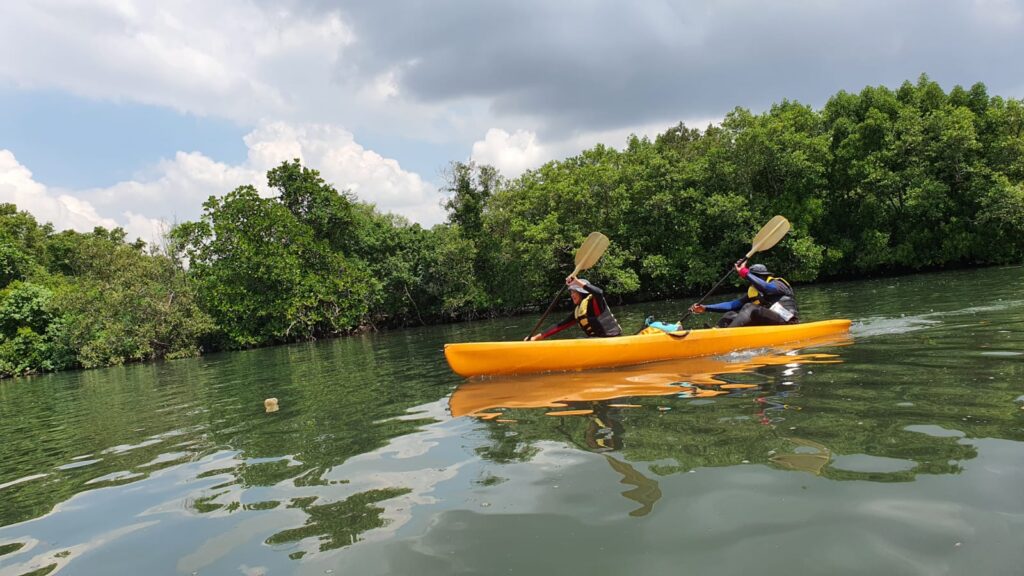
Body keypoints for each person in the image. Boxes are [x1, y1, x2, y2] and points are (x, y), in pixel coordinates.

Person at [688, 261, 799, 328]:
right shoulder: (754, 291)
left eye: (753, 278)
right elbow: (732, 305)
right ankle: (717, 332)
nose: (751, 282)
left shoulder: (778, 284)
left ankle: (727, 335)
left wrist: (745, 273)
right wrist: (706, 308)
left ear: (762, 276)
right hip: (770, 323)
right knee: (730, 314)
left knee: (749, 307)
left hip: (787, 322)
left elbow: (767, 288)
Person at [528, 276, 623, 340]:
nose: (572, 295)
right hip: (595, 342)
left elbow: (599, 292)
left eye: (575, 292)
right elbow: (559, 326)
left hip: (612, 339)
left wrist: (577, 282)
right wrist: (536, 337)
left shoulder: (595, 303)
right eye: (571, 292)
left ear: (582, 292)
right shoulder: (578, 311)